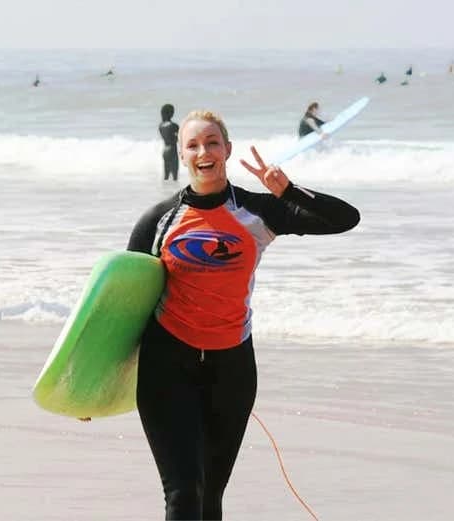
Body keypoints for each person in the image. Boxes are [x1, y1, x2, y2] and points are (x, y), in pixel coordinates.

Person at [127, 110, 360, 520]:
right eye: (194, 145)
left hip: (231, 367)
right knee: (184, 494)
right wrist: (92, 381)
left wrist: (287, 190)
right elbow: (124, 304)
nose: (204, 151)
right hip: (167, 363)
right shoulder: (158, 221)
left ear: (227, 150)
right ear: (182, 155)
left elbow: (345, 219)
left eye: (213, 142)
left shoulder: (258, 212)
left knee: (211, 497)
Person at [159, 104, 180, 181]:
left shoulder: (161, 125)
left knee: (166, 176)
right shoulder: (174, 126)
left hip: (165, 150)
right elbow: (179, 138)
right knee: (175, 177)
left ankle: (165, 191)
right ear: (170, 113)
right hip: (172, 150)